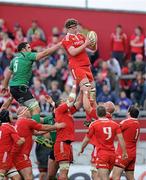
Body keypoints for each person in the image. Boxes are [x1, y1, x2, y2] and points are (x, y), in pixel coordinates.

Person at [1, 41, 61, 123]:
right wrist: (59, 44)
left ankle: (27, 127)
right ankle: (37, 132)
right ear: (23, 49)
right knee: (36, 108)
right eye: (29, 47)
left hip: (13, 88)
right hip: (21, 87)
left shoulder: (14, 59)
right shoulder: (28, 55)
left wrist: (4, 86)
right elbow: (44, 53)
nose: (31, 49)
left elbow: (8, 73)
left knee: (26, 112)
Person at [12, 106, 65, 180]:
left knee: (20, 177)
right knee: (29, 177)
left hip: (18, 154)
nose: (30, 112)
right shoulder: (27, 121)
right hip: (22, 155)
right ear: (23, 112)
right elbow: (42, 127)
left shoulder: (19, 122)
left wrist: (51, 129)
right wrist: (56, 126)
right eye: (28, 111)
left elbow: (37, 132)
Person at [79, 106, 127, 180]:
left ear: (97, 114)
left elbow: (86, 139)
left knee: (103, 178)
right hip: (112, 155)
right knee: (105, 177)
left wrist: (81, 148)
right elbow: (121, 139)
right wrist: (124, 152)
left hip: (102, 154)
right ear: (105, 113)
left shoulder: (94, 124)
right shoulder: (115, 124)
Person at [53, 82, 83, 180]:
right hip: (62, 142)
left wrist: (83, 90)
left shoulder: (68, 111)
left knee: (65, 172)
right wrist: (75, 84)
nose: (65, 100)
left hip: (67, 143)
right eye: (62, 100)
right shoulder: (59, 110)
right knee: (63, 172)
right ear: (59, 105)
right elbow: (71, 99)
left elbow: (78, 103)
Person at [62, 18, 97, 95]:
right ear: (68, 28)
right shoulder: (66, 39)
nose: (75, 29)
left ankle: (88, 106)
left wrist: (94, 43)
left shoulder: (81, 35)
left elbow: (92, 49)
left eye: (76, 26)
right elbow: (73, 52)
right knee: (87, 89)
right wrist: (85, 44)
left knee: (92, 91)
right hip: (77, 66)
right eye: (73, 27)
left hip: (86, 65)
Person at [112, 106, 140, 180]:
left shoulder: (126, 122)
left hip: (124, 153)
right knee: (130, 177)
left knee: (115, 176)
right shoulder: (137, 123)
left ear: (129, 113)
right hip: (132, 153)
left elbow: (115, 129)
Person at [0, 109, 25, 180]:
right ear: (6, 116)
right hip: (4, 155)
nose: (12, 116)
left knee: (17, 177)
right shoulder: (10, 127)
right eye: (10, 115)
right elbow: (19, 142)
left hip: (7, 156)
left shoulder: (1, 126)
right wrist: (23, 139)